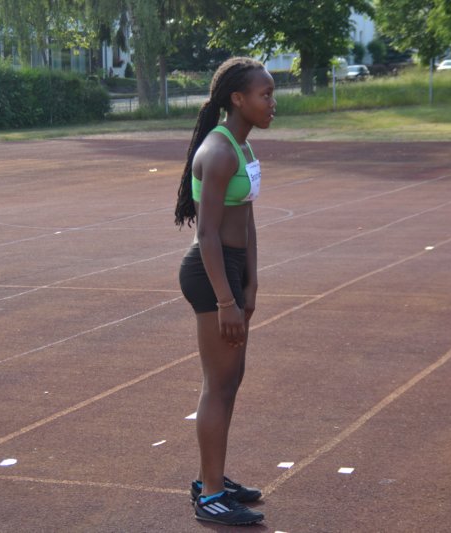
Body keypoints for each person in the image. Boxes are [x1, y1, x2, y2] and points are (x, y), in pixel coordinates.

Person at [175, 57, 276, 526]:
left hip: (232, 271)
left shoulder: (243, 147)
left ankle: (211, 477)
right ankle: (210, 496)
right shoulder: (218, 152)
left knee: (231, 380)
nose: (272, 103)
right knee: (218, 385)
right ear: (238, 99)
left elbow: (247, 219)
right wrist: (226, 300)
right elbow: (208, 234)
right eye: (265, 95)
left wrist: (252, 283)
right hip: (210, 273)